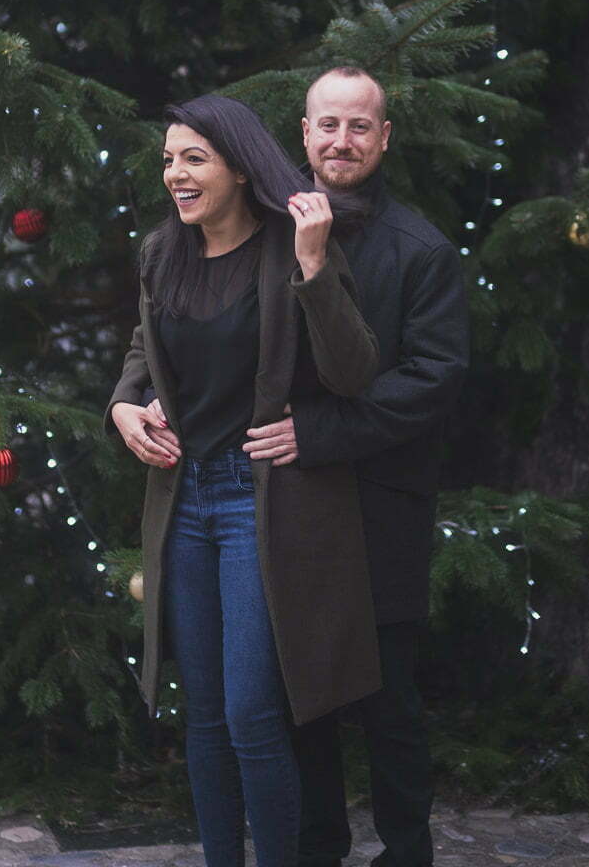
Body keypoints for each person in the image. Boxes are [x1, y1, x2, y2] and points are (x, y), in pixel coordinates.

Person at [104, 94, 383, 867]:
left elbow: (352, 372)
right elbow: (143, 350)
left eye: (193, 158)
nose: (176, 175)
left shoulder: (288, 248)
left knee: (254, 713)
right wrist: (124, 407)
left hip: (259, 502)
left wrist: (316, 265)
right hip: (184, 498)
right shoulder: (164, 254)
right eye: (168, 160)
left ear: (236, 165)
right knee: (204, 720)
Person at [243, 67, 470, 867]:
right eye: (328, 125)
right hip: (292, 502)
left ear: (384, 138)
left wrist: (322, 432)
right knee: (304, 697)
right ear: (303, 133)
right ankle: (317, 849)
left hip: (380, 504)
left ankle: (408, 854)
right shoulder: (264, 230)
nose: (342, 141)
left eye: (360, 127)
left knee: (389, 705)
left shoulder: (423, 249)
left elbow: (432, 382)